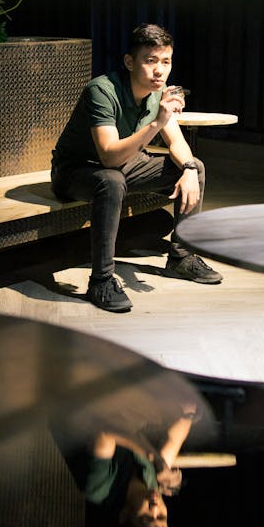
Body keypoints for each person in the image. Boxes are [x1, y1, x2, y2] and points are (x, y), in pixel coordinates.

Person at [51, 22, 223, 313]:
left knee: (195, 167)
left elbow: (178, 145)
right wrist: (157, 122)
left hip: (121, 167)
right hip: (75, 170)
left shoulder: (158, 92)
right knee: (112, 180)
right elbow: (108, 158)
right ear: (130, 62)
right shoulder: (102, 90)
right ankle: (102, 280)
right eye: (150, 60)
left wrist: (190, 170)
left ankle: (181, 258)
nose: (159, 70)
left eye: (165, 61)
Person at [50, 404, 200, 527]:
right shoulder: (151, 486)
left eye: (146, 517)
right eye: (161, 516)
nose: (155, 508)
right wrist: (188, 414)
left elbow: (105, 431)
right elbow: (173, 441)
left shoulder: (98, 488)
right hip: (113, 408)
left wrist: (155, 458)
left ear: (124, 515)